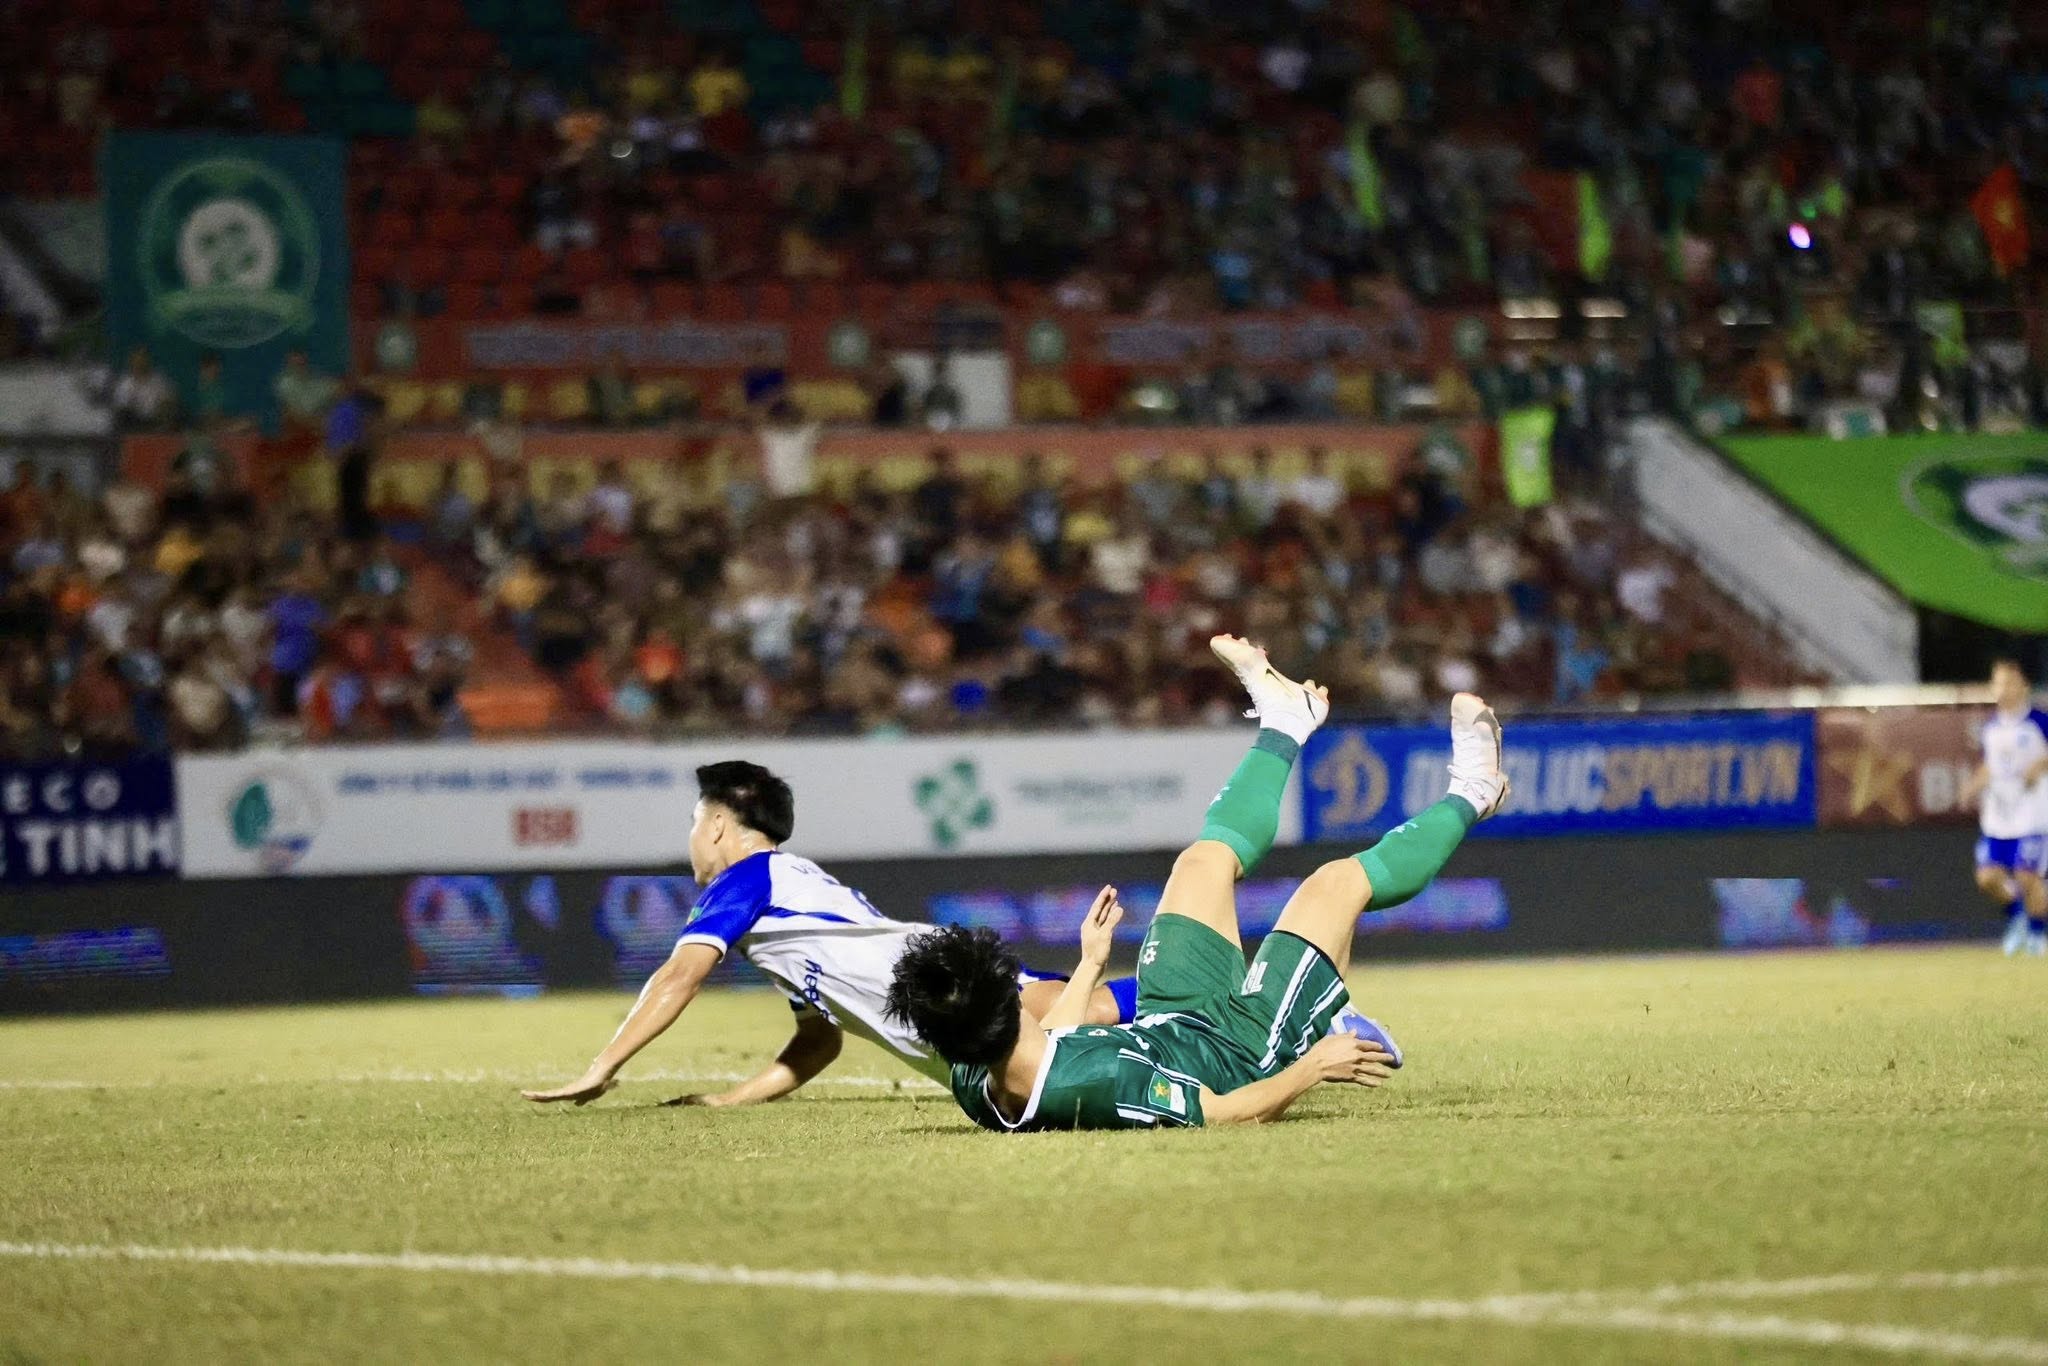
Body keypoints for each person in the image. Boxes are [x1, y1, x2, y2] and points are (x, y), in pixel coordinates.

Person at [886, 635, 1508, 1131]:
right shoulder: (1100, 1085)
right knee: (1334, 883)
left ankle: (1286, 722)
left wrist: (1090, 964)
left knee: (1200, 863)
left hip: (1173, 1020)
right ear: (1004, 1007)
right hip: (1242, 1050)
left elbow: (1050, 1042)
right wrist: (1312, 1067)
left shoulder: (975, 1073)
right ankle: (1475, 793)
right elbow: (1220, 1112)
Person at [521, 761, 1142, 1108]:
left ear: (715, 827)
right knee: (1091, 1040)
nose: (691, 839)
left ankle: (1196, 986)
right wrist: (729, 1100)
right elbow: (819, 1040)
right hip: (948, 1012)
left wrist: (602, 1066)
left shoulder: (748, 881)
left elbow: (679, 976)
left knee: (1092, 1015)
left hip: (952, 991)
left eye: (693, 823)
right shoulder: (783, 918)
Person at [1962, 659, 2048, 957]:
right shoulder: (1991, 727)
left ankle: (2037, 936)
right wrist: (1973, 786)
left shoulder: (2039, 721)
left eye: (2009, 682)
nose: (2003, 689)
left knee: (2027, 877)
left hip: (2032, 817)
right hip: (1999, 819)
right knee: (1987, 877)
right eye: (1998, 683)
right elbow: (1991, 765)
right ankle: (2019, 916)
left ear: (2024, 686)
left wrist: (2041, 764)